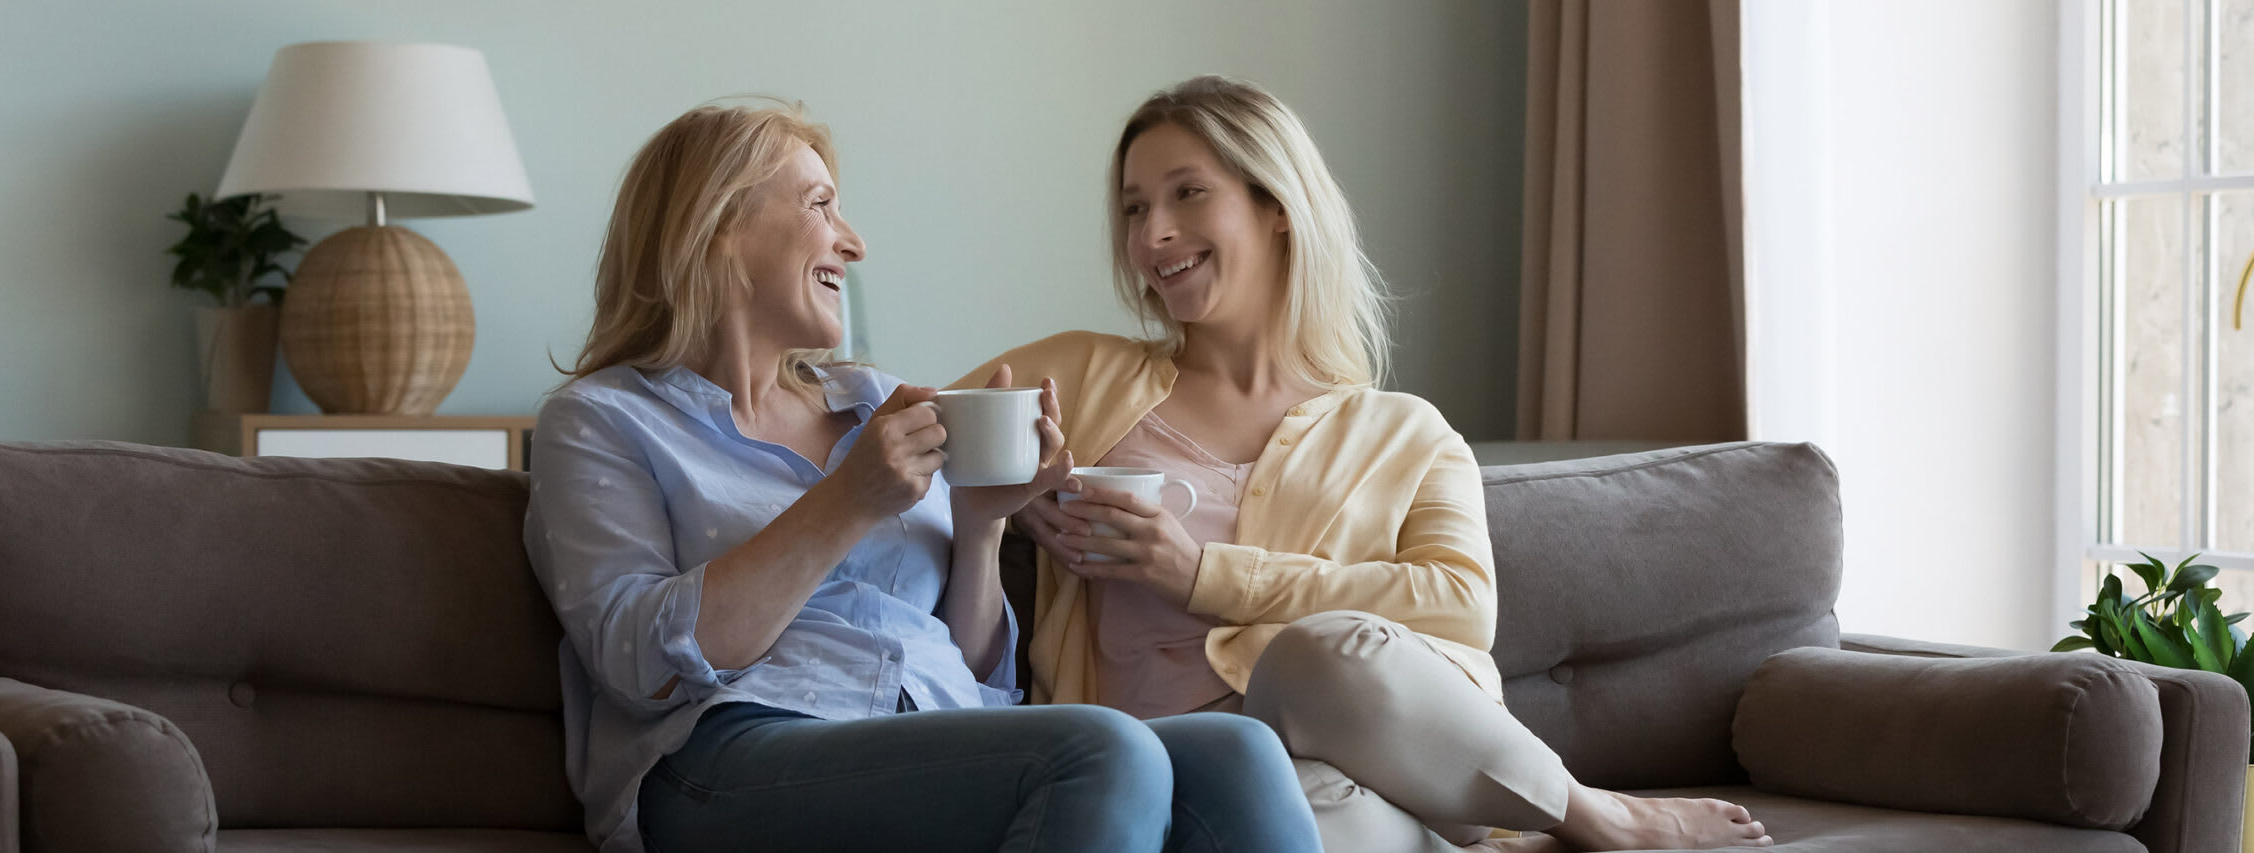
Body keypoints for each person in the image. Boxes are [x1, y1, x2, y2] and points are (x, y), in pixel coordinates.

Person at [959, 77, 1774, 853]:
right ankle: (1542, 828)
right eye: (1135, 208)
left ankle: (1591, 816)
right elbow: (892, 431)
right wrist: (998, 495)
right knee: (1277, 812)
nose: (1152, 234)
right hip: (1174, 774)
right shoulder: (1086, 377)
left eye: (1187, 193)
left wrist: (1203, 574)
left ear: (1275, 206)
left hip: (1336, 758)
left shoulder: (1409, 434)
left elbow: (1460, 605)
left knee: (1318, 657)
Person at [527, 99, 1321, 853]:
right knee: (1099, 746)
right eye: (820, 205)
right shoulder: (602, 420)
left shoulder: (873, 401)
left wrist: (980, 527)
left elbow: (970, 672)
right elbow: (641, 667)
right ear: (720, 225)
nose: (853, 241)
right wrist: (844, 502)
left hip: (924, 729)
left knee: (1238, 752)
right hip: (726, 753)